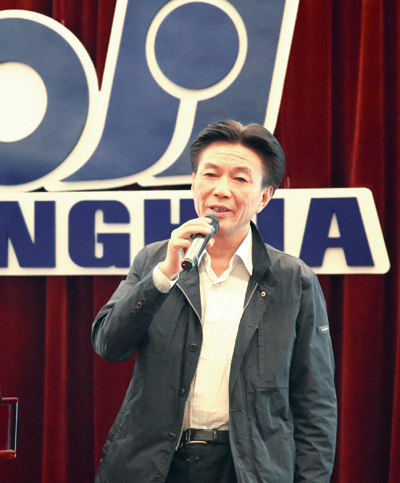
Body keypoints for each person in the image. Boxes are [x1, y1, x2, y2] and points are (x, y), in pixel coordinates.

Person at [91, 120, 337, 483]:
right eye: (210, 175)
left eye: (240, 179)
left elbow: (315, 400)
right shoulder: (155, 261)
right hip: (155, 465)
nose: (221, 190)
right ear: (194, 183)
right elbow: (108, 345)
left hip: (246, 468)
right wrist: (163, 277)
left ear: (264, 197)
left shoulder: (292, 279)